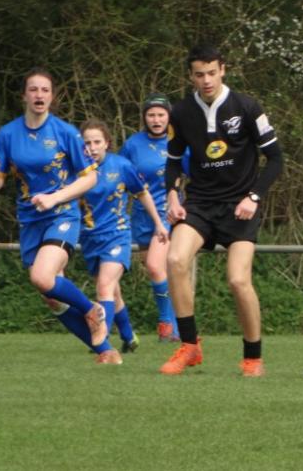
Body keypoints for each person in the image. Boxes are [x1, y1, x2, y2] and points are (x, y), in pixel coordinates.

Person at [159, 43, 283, 377]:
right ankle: (189, 346)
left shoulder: (247, 107)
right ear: (191, 76)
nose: (206, 80)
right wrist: (172, 195)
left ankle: (253, 357)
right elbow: (172, 163)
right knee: (174, 259)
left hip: (240, 206)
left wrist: (253, 197)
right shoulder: (182, 112)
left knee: (238, 280)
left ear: (223, 70)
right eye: (199, 75)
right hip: (199, 203)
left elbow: (276, 159)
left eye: (211, 73)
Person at [0, 68, 110, 360]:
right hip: (30, 219)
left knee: (43, 278)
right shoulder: (8, 134)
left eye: (44, 90)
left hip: (62, 215)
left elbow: (90, 178)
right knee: (51, 297)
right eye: (33, 89)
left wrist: (55, 198)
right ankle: (105, 350)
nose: (39, 95)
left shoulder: (65, 132)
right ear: (24, 96)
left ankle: (93, 310)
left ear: (52, 96)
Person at [80, 119, 169, 354]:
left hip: (117, 235)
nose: (92, 147)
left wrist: (159, 224)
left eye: (97, 141)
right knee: (113, 292)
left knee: (104, 286)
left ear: (107, 143)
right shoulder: (77, 170)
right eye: (87, 142)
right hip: (90, 238)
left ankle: (102, 340)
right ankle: (129, 337)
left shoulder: (121, 166)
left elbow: (143, 194)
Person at [121, 93, 187, 342]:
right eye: (151, 114)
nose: (156, 119)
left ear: (169, 116)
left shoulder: (178, 143)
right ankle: (176, 328)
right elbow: (120, 176)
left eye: (161, 114)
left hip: (167, 215)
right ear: (144, 117)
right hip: (140, 216)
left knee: (154, 265)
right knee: (159, 272)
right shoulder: (132, 144)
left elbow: (194, 174)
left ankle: (166, 325)